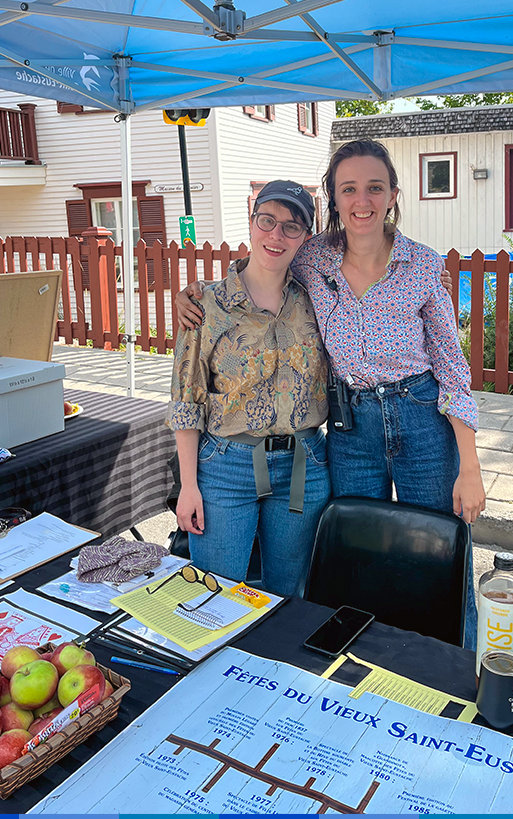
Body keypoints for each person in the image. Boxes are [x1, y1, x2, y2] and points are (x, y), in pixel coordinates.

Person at [176, 142, 483, 646]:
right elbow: (262, 261)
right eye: (348, 189)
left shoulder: (424, 266)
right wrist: (190, 292)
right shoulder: (314, 259)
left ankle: (453, 670)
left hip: (422, 420)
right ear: (334, 200)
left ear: (392, 196)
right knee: (357, 557)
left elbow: (453, 369)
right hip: (352, 429)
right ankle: (366, 664)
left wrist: (469, 468)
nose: (362, 201)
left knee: (443, 554)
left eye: (374, 188)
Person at [166, 181, 331, 598]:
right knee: (213, 595)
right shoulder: (206, 303)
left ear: (306, 237)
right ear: (251, 221)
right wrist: (189, 486)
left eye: (291, 227)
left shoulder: (318, 299)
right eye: (267, 221)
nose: (276, 235)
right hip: (227, 468)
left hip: (303, 467)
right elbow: (186, 400)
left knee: (289, 596)